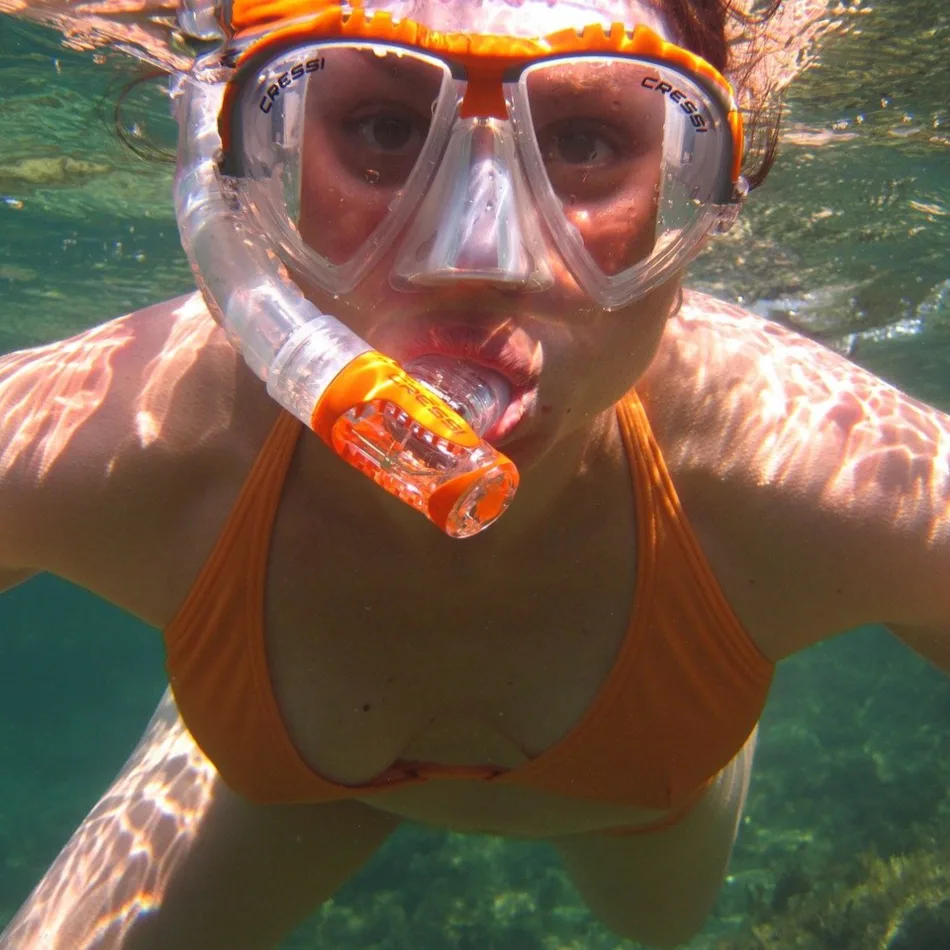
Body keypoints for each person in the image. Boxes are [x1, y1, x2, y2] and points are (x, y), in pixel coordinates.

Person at [0, 0, 947, 948]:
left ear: (696, 189)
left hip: (638, 805)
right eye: (386, 128)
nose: (476, 258)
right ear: (248, 167)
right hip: (275, 786)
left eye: (583, 139)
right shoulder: (124, 437)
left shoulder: (818, 477)